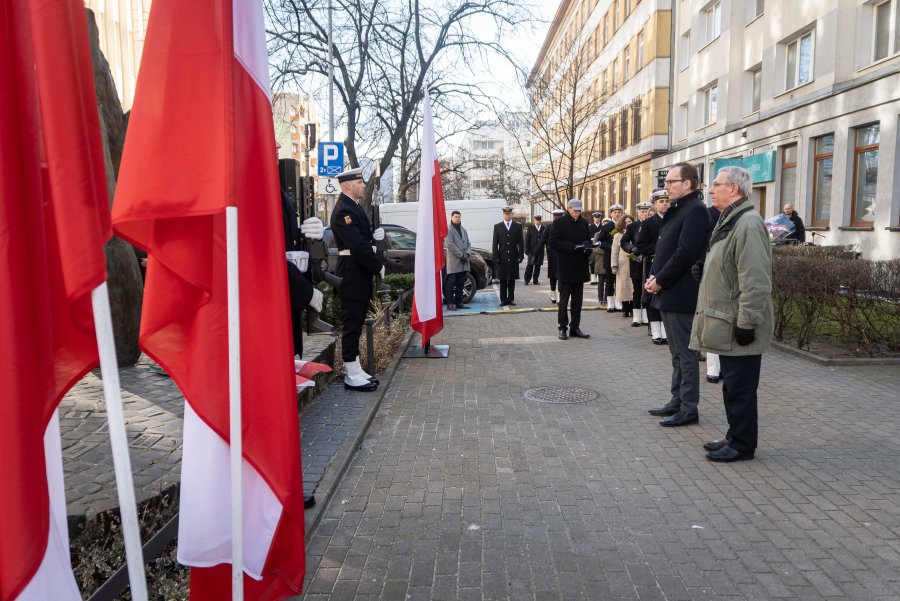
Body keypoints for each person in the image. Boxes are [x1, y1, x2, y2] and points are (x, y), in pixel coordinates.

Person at [691, 166, 773, 462]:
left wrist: (748, 322)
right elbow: (729, 264)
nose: (711, 190)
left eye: (716, 184)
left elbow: (755, 280)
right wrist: (705, 270)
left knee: (740, 389)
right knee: (733, 386)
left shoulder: (748, 223)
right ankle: (734, 435)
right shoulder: (731, 219)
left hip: (739, 322)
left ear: (734, 189)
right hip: (727, 319)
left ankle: (742, 445)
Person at [644, 163, 710, 427]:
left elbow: (685, 253)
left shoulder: (695, 210)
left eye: (671, 181)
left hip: (681, 292)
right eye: (666, 182)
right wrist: (653, 275)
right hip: (668, 289)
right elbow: (664, 249)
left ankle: (689, 407)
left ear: (688, 183)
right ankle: (676, 401)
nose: (666, 186)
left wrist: (660, 279)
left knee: (685, 353)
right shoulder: (680, 208)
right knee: (676, 353)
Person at [330, 167, 385, 391]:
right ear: (347, 186)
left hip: (358, 272)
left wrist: (373, 238)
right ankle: (350, 373)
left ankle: (356, 368)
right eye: (359, 182)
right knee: (352, 324)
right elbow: (356, 245)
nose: (364, 185)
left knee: (358, 321)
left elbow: (362, 239)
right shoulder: (344, 210)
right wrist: (377, 264)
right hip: (352, 273)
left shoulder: (353, 207)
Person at [549, 198, 592, 340]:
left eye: (580, 211)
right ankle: (562, 327)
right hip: (565, 268)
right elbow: (553, 243)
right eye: (575, 210)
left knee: (577, 301)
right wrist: (571, 247)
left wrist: (587, 246)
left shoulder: (584, 223)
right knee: (564, 301)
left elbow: (588, 241)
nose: (578, 213)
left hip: (580, 268)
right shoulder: (559, 223)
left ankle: (575, 327)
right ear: (569, 209)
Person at [635, 191, 669, 343]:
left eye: (667, 201)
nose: (665, 204)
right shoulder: (648, 223)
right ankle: (656, 332)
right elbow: (641, 245)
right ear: (655, 204)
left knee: (667, 297)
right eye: (661, 201)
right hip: (653, 265)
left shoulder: (674, 220)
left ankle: (665, 331)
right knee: (652, 297)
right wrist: (659, 250)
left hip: (670, 265)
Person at [621, 201, 652, 327]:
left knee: (647, 289)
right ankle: (636, 316)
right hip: (637, 261)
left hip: (649, 260)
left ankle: (645, 316)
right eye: (642, 211)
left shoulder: (652, 224)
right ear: (638, 212)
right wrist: (631, 248)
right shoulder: (632, 226)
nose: (644, 214)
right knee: (637, 290)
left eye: (646, 211)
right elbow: (623, 241)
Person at [492, 206, 524, 306]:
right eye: (506, 214)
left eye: (509, 214)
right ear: (503, 215)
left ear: (512, 214)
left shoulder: (517, 226)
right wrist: (496, 256)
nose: (507, 215)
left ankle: (510, 299)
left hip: (513, 257)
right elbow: (495, 243)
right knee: (502, 280)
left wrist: (520, 255)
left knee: (511, 280)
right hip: (502, 258)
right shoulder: (497, 226)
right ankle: (503, 300)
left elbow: (521, 242)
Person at [445, 210, 472, 310]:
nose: (457, 218)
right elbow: (450, 244)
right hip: (454, 262)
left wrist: (468, 253)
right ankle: (450, 304)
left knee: (461, 283)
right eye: (455, 217)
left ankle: (459, 302)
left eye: (459, 217)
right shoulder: (448, 229)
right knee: (451, 283)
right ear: (451, 217)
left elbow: (469, 243)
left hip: (464, 261)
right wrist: (461, 255)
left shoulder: (463, 230)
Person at [610, 214, 635, 318]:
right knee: (623, 287)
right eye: (627, 222)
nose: (629, 224)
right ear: (622, 224)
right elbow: (614, 251)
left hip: (634, 263)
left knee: (633, 287)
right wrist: (614, 265)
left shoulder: (636, 233)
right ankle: (625, 309)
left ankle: (633, 308)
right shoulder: (618, 235)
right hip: (623, 264)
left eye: (630, 222)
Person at [600, 204, 623, 311]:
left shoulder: (625, 226)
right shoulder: (606, 227)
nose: (617, 214)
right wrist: (612, 248)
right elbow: (601, 242)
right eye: (615, 212)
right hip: (610, 257)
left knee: (619, 281)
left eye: (619, 212)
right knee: (609, 281)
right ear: (611, 214)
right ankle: (610, 303)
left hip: (622, 257)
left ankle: (619, 302)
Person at [547, 208, 565, 303]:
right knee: (553, 277)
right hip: (552, 256)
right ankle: (553, 293)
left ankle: (559, 295)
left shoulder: (566, 227)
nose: (557, 218)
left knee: (561, 276)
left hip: (563, 256)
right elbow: (542, 240)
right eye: (556, 217)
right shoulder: (549, 227)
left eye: (559, 217)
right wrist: (534, 255)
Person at [523, 215, 548, 285]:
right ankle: (526, 280)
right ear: (535, 220)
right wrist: (526, 250)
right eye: (537, 220)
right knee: (530, 266)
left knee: (538, 266)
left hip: (540, 251)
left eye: (539, 220)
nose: (538, 221)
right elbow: (527, 240)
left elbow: (546, 240)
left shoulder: (544, 228)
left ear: (540, 220)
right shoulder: (531, 228)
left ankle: (535, 280)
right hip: (532, 251)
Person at [588, 212, 603, 284]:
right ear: (593, 218)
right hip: (592, 246)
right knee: (592, 262)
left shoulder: (603, 226)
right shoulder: (590, 227)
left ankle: (598, 278)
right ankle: (593, 278)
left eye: (598, 217)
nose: (597, 219)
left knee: (599, 263)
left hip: (600, 247)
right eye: (596, 217)